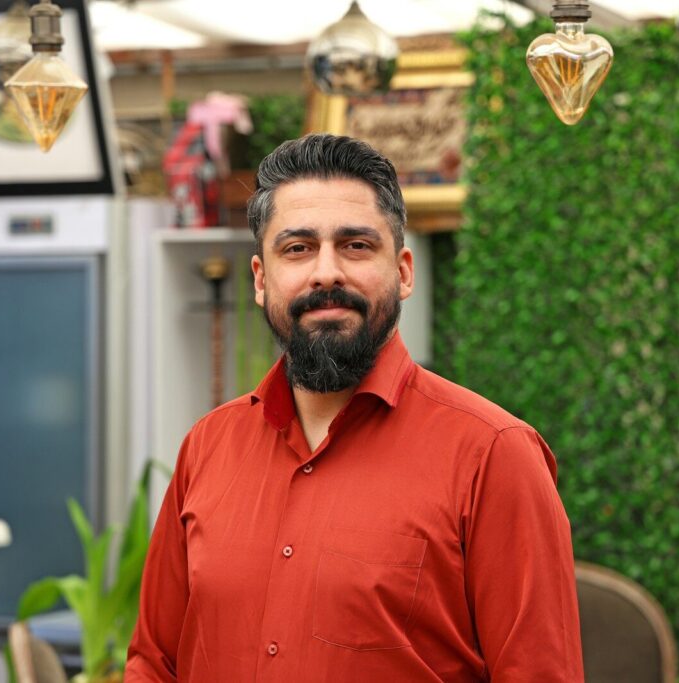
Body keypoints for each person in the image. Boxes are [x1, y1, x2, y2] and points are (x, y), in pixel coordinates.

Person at [126, 134, 584, 682]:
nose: (326, 273)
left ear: (404, 272)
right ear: (261, 279)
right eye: (297, 248)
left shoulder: (494, 455)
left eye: (356, 245)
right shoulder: (208, 447)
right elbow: (154, 663)